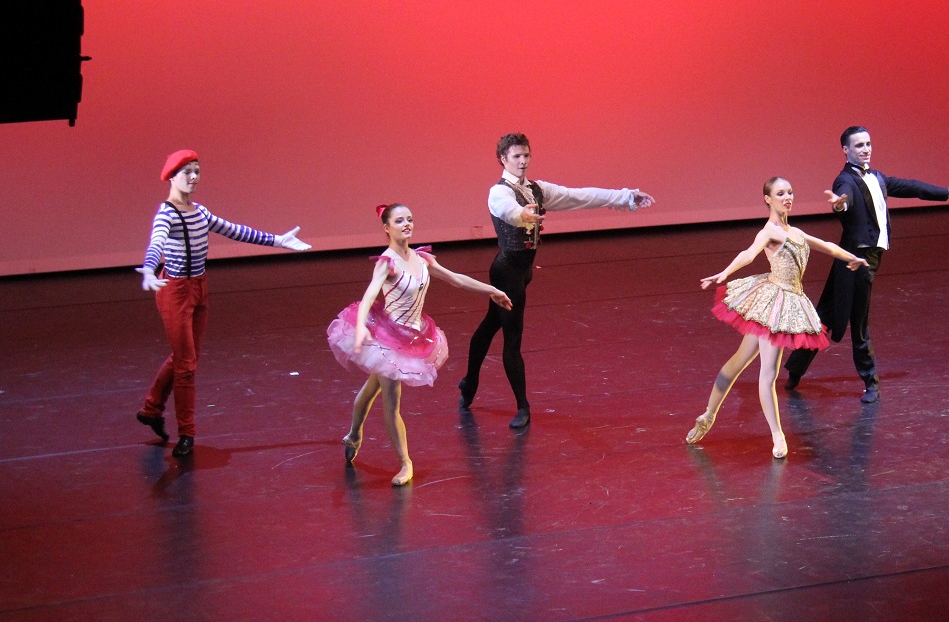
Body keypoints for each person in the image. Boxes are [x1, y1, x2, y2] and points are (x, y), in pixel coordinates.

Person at [457, 133, 655, 429]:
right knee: (512, 339)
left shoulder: (538, 189)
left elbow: (581, 196)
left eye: (526, 156)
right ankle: (522, 406)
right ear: (503, 159)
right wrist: (522, 214)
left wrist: (626, 196)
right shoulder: (499, 192)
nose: (523, 161)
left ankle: (469, 381)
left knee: (490, 325)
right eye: (516, 157)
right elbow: (507, 211)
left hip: (524, 273)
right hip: (506, 273)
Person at [135, 150, 310, 457]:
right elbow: (157, 242)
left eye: (197, 171)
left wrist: (276, 241)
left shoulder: (200, 212)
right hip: (174, 290)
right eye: (186, 171)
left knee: (185, 358)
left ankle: (151, 409)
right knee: (186, 365)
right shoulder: (166, 214)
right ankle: (187, 433)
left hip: (199, 288)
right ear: (171, 176)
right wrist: (149, 268)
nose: (193, 177)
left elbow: (235, 230)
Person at [328, 204, 511, 486]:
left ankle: (353, 434)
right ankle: (405, 463)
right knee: (392, 399)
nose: (406, 224)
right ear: (387, 228)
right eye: (399, 220)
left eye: (410, 219)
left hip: (414, 336)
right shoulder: (386, 263)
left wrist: (492, 290)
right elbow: (368, 297)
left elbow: (456, 280)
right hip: (388, 338)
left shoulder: (422, 258)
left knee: (372, 386)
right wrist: (362, 324)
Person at [782, 126, 949, 402]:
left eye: (868, 144)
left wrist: (945, 193)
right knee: (857, 320)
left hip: (858, 257)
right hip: (858, 259)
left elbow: (910, 186)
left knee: (825, 316)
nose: (865, 149)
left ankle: (795, 371)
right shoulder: (844, 181)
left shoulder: (878, 177)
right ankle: (871, 382)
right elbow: (845, 199)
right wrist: (839, 205)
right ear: (846, 150)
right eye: (859, 145)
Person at [689, 177, 868, 457]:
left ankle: (709, 413)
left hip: (788, 298)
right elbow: (748, 254)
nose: (787, 197)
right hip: (773, 301)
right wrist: (725, 273)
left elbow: (825, 244)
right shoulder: (769, 231)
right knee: (768, 372)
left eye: (790, 192)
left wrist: (851, 257)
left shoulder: (795, 232)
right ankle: (777, 435)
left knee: (737, 362)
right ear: (767, 199)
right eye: (780, 193)